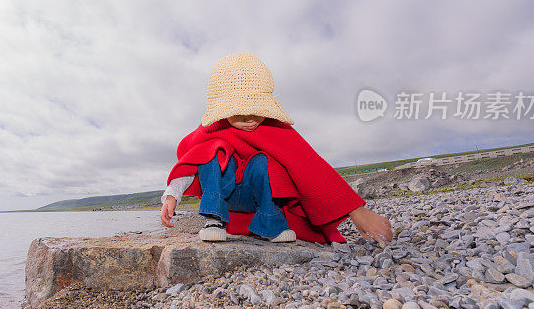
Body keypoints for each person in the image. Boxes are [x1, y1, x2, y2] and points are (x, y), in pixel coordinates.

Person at [159, 52, 393, 244]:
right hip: (224, 195)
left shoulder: (274, 128)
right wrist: (171, 196)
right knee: (211, 151)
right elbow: (189, 165)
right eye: (240, 113)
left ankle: (270, 222)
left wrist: (358, 212)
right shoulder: (211, 130)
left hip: (256, 196)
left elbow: (309, 165)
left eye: (258, 111)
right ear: (223, 110)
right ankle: (213, 219)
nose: (250, 120)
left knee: (265, 161)